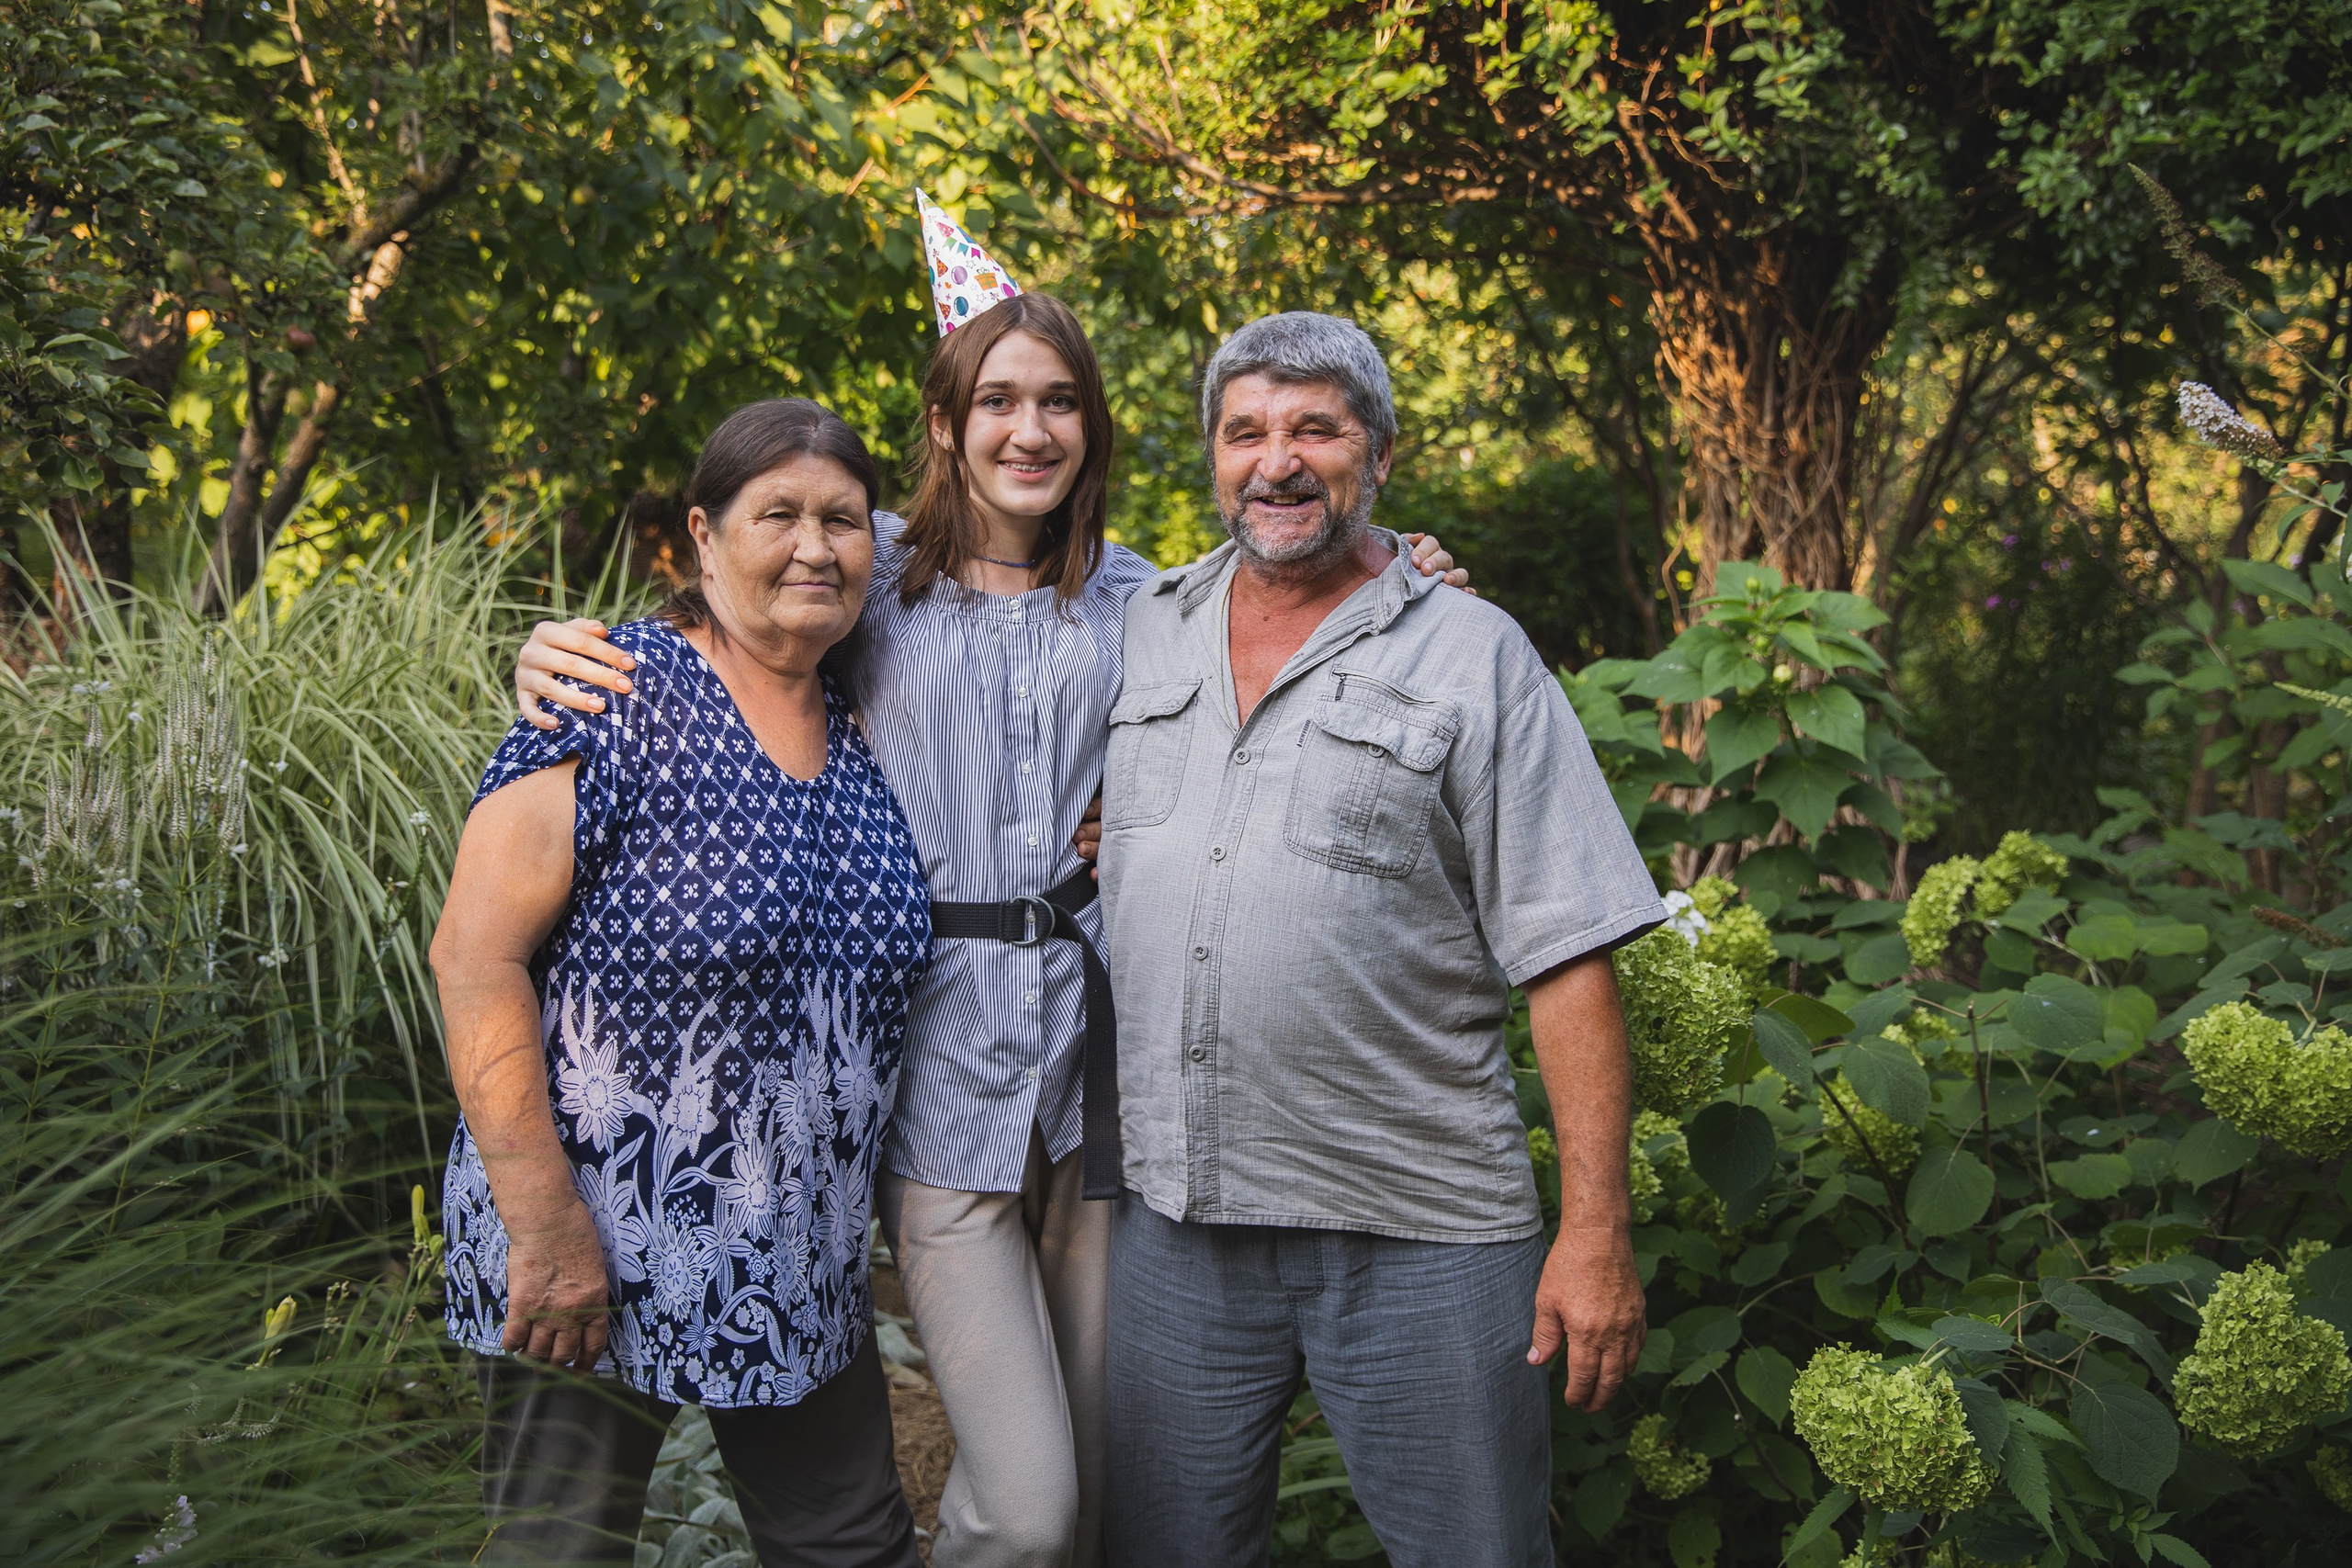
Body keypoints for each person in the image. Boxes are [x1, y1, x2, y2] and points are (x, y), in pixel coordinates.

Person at [508, 277, 1468, 1562]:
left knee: (1101, 1492)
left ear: (1094, 425)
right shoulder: (868, 576)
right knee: (1026, 1505)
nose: (1031, 428)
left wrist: (1405, 560)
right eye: (999, 399)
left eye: (1060, 399)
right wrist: (558, 652)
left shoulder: (1154, 600)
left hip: (1105, 1076)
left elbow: (1302, 595)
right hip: (939, 1075)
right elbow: (733, 619)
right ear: (948, 422)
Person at [1096, 311, 1665, 1566]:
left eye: (1315, 427)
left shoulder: (1476, 654)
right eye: (1244, 431)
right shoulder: (1140, 629)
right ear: (1210, 455)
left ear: (1382, 455)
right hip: (1182, 1230)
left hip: (1420, 1228)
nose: (1276, 460)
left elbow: (1569, 951)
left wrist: (1595, 1231)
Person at [433, 398, 933, 1566]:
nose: (816, 545)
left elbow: (1049, 566)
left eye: (844, 520)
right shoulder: (615, 693)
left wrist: (1386, 567)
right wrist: (543, 1224)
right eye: (780, 515)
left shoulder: (871, 720)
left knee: (853, 1547)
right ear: (703, 539)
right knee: (557, 1551)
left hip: (797, 1257)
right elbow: (473, 955)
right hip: (596, 1242)